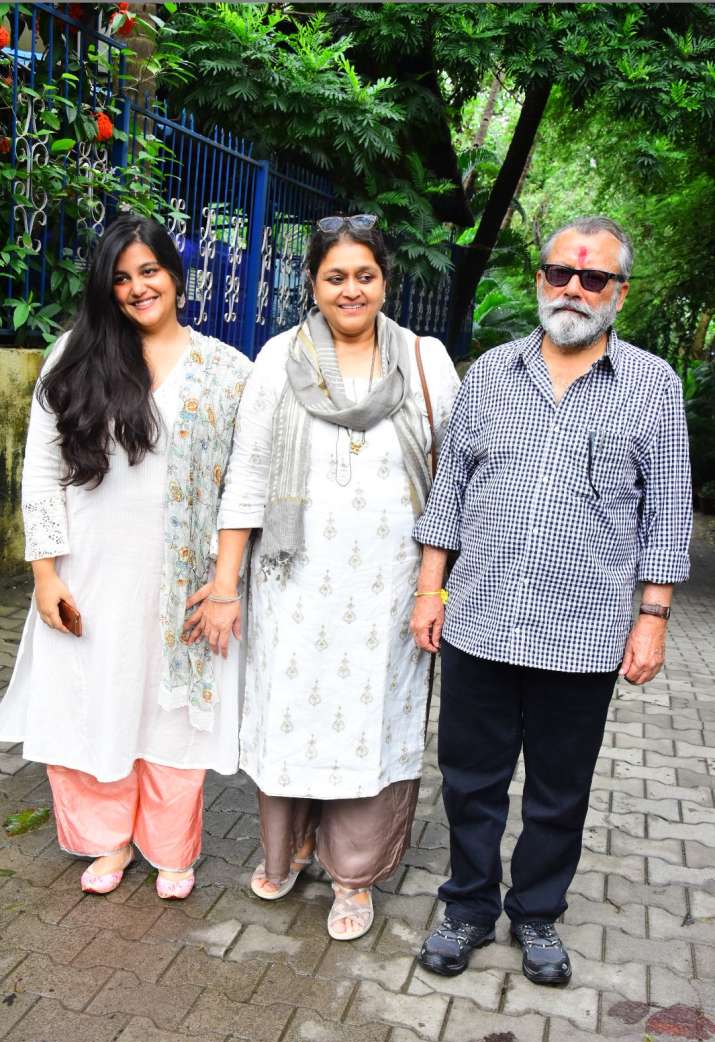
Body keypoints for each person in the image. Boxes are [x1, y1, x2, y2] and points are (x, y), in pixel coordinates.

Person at [411, 215, 692, 984]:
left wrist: (652, 618)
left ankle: (536, 914)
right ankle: (467, 907)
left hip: (584, 629)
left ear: (618, 295)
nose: (572, 288)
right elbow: (450, 492)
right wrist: (429, 588)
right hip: (479, 614)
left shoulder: (651, 386)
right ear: (540, 279)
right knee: (469, 777)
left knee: (558, 789)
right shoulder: (491, 374)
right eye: (558, 273)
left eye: (592, 277)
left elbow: (666, 513)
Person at [194, 214, 460, 939]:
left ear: (384, 281)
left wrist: (431, 588)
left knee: (370, 727)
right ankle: (286, 851)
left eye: (364, 276)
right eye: (335, 276)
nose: (350, 290)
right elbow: (245, 479)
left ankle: (353, 877)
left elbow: (451, 486)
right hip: (292, 585)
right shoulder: (279, 358)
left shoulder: (425, 361)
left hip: (387, 590)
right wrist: (224, 587)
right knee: (290, 717)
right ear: (312, 283)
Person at [0, 214, 252, 899]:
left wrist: (227, 581)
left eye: (149, 271)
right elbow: (40, 472)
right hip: (90, 569)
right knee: (93, 700)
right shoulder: (74, 358)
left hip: (181, 580)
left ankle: (172, 848)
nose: (138, 287)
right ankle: (105, 842)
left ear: (174, 274)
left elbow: (245, 486)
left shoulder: (229, 372)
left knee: (168, 715)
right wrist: (46, 573)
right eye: (120, 277)